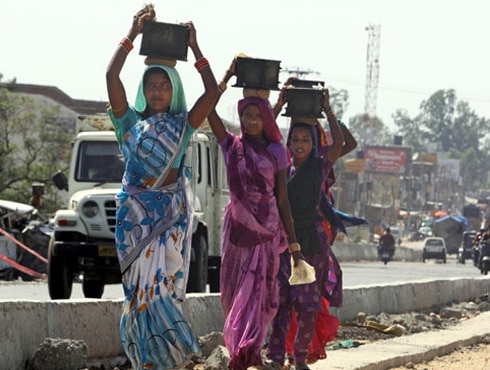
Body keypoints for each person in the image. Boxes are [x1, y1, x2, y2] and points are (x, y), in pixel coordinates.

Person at [106, 4, 219, 369]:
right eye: (151, 85)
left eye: (163, 85)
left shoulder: (183, 125)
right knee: (139, 298)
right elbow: (111, 76)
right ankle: (145, 364)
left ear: (174, 90)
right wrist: (132, 34)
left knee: (164, 296)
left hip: (169, 222)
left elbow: (213, 92)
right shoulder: (128, 122)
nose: (156, 91)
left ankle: (170, 361)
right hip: (134, 225)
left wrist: (197, 49)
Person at [207, 58, 300, 370]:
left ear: (266, 119)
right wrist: (225, 77)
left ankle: (250, 352)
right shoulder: (230, 145)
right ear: (240, 117)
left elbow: (283, 199)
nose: (251, 120)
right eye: (246, 115)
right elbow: (208, 109)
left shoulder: (277, 152)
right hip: (237, 231)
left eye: (257, 115)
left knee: (260, 292)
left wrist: (295, 243)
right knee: (235, 292)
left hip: (267, 232)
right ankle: (241, 350)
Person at [266, 87, 345, 370]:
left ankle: (299, 358)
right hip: (283, 240)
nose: (299, 145)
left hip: (312, 241)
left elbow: (338, 144)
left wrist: (328, 109)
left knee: (308, 306)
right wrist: (277, 104)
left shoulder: (318, 167)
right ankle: (276, 357)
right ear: (288, 143)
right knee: (281, 305)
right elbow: (264, 137)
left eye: (304, 140)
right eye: (294, 140)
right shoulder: (279, 167)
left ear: (313, 144)